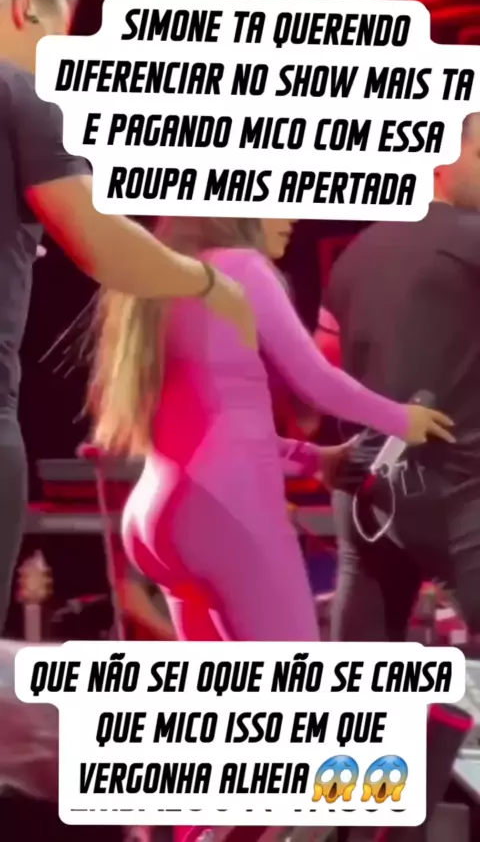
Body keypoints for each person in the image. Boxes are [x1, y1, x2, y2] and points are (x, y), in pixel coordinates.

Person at [0, 0, 256, 633]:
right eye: (61, 35)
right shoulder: (17, 93)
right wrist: (210, 284)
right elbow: (103, 245)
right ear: (23, 8)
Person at [88, 216, 453, 647]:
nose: (292, 216)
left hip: (157, 520)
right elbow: (316, 381)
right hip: (227, 516)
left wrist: (314, 459)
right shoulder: (242, 267)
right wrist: (402, 419)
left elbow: (214, 428)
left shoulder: (164, 277)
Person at [326, 113, 480, 839]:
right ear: (446, 158)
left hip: (366, 495)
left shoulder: (355, 253)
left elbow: (321, 371)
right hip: (461, 493)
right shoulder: (471, 241)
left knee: (358, 695)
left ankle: (367, 829)